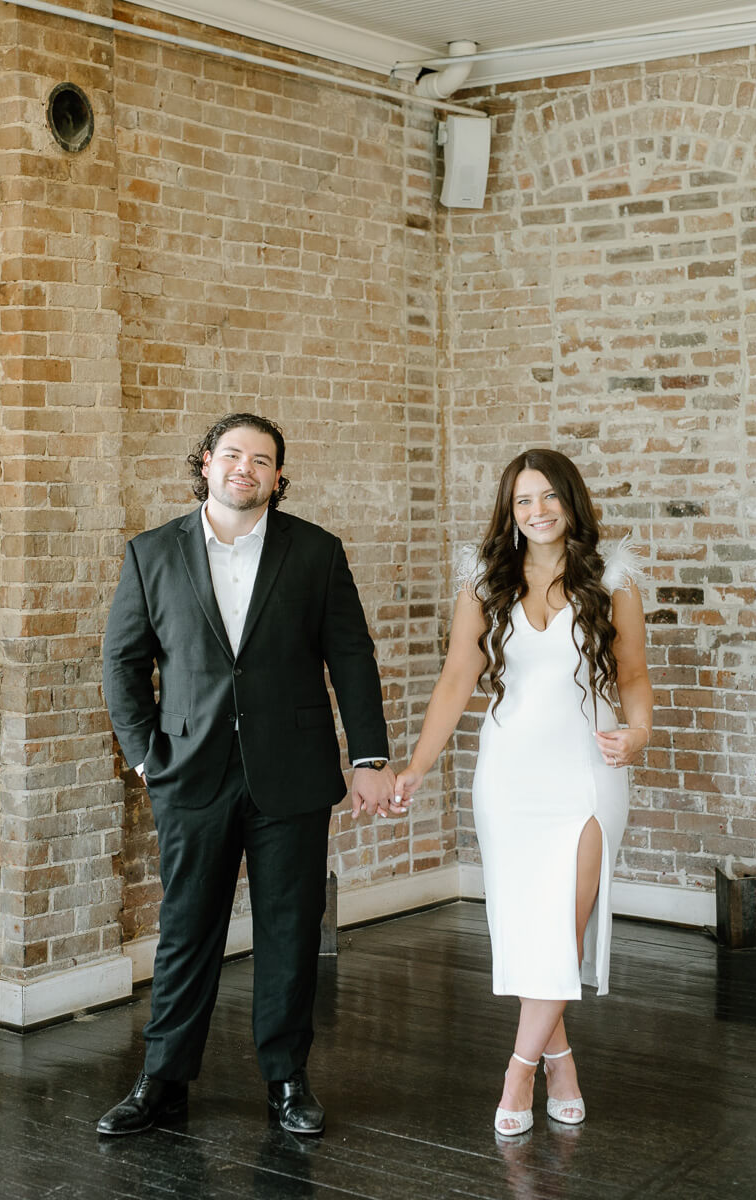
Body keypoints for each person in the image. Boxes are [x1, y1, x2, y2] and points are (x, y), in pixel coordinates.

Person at [98, 413, 400, 1137]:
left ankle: (287, 1080)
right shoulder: (151, 554)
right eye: (232, 454)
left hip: (291, 776)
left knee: (292, 929)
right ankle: (162, 1080)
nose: (246, 468)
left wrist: (368, 760)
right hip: (189, 773)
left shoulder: (317, 552)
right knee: (186, 929)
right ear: (205, 463)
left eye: (261, 460)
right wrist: (144, 754)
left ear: (276, 476)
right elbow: (121, 661)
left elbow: (351, 656)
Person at [394, 448, 653, 1136]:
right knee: (530, 929)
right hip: (508, 777)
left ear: (571, 500)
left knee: (561, 928)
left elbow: (632, 675)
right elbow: (456, 681)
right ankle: (560, 1059)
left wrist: (640, 732)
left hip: (588, 772)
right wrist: (416, 766)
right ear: (509, 513)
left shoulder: (612, 577)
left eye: (547, 497)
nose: (536, 512)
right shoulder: (485, 581)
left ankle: (519, 1070)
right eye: (521, 502)